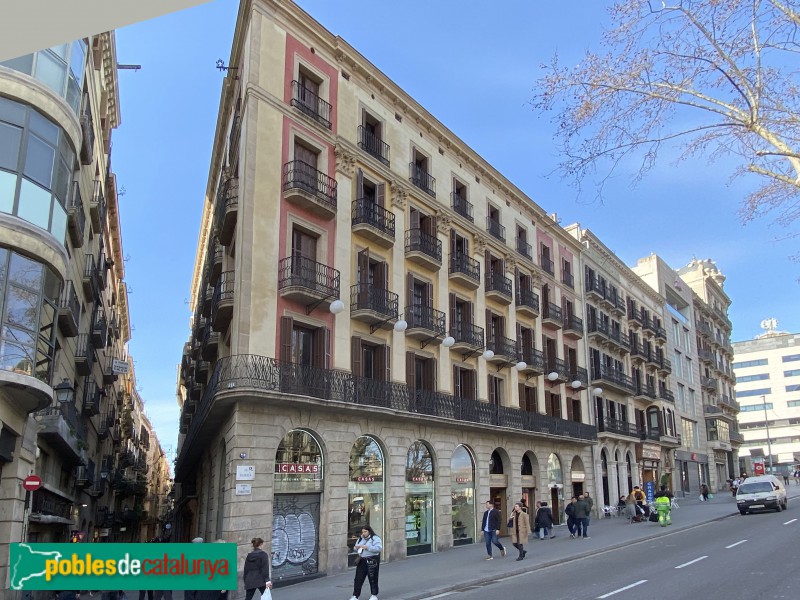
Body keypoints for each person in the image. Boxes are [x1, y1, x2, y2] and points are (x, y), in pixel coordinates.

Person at [350, 525, 382, 600]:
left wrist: (367, 547)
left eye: (365, 531)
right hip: (362, 559)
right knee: (358, 578)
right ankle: (355, 595)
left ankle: (374, 595)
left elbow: (378, 548)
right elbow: (355, 547)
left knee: (373, 577)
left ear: (369, 531)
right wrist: (356, 547)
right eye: (362, 532)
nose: (364, 533)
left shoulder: (375, 538)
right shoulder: (361, 538)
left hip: (372, 559)